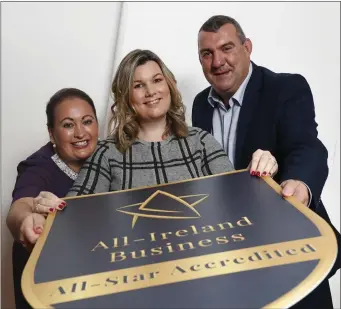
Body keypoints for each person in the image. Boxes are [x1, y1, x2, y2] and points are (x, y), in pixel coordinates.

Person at [191, 15, 340, 309]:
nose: (217, 61)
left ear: (247, 47)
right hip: (229, 255)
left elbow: (306, 146)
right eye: (207, 54)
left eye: (227, 48)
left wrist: (299, 184)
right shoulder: (199, 105)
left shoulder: (285, 88)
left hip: (288, 247)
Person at [67, 49, 278, 198]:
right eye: (139, 85)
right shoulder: (107, 153)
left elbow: (237, 196)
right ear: (125, 97)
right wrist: (44, 207)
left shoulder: (201, 142)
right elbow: (76, 214)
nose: (151, 92)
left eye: (157, 80)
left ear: (169, 85)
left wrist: (259, 170)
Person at [6, 88, 99, 309]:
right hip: (49, 287)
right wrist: (26, 221)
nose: (80, 133)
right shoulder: (38, 166)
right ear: (51, 133)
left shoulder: (106, 156)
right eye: (68, 125)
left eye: (87, 121)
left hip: (90, 279)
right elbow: (21, 205)